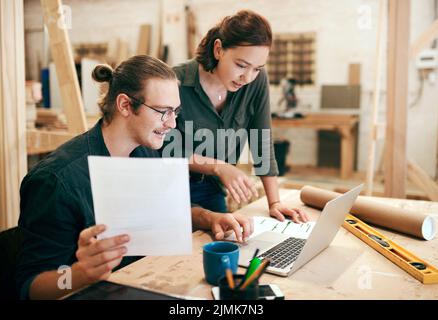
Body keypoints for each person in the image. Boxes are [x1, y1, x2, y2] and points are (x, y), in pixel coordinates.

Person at [16, 55, 253, 300]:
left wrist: (209, 217)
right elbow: (30, 287)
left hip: (141, 284)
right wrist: (79, 274)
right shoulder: (55, 181)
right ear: (125, 105)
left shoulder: (146, 151)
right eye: (163, 112)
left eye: (175, 112)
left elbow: (164, 211)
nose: (172, 123)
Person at [165, 10, 309, 222]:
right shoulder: (174, 81)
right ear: (218, 50)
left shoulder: (256, 82)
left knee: (224, 241)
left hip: (212, 188)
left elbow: (262, 141)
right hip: (168, 187)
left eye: (257, 68)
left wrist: (274, 202)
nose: (247, 77)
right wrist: (219, 166)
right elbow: (163, 149)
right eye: (241, 65)